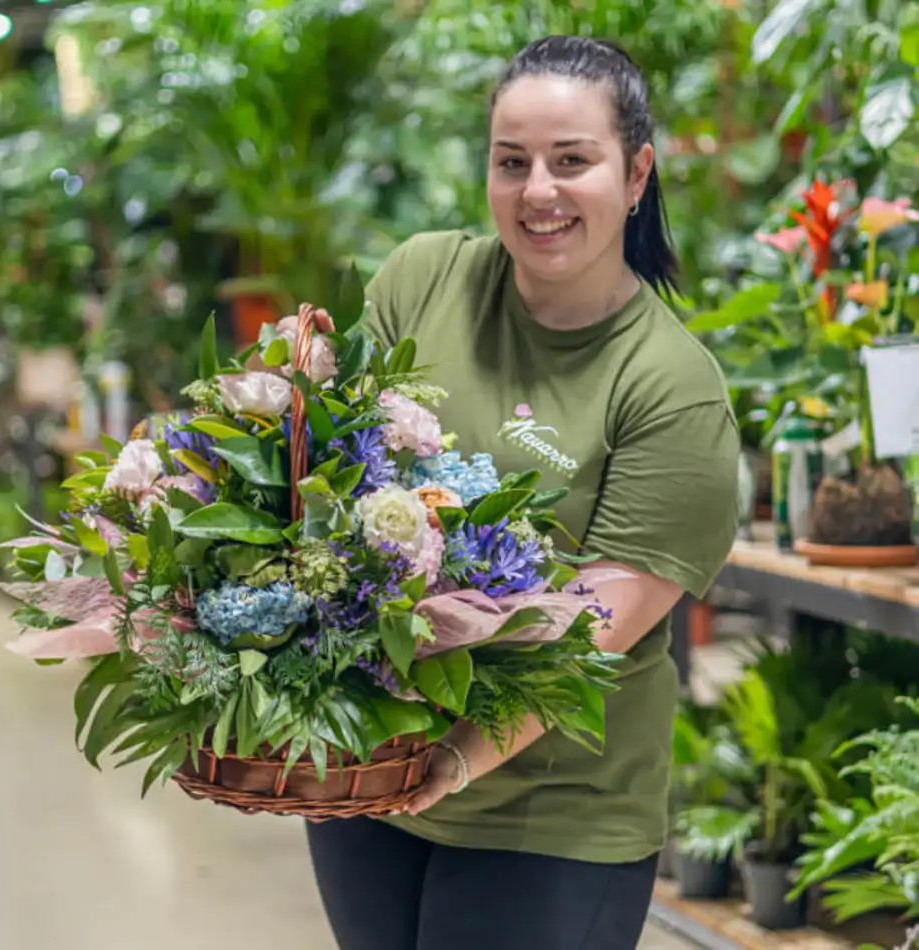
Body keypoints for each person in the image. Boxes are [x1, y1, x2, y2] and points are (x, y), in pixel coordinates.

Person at [306, 35, 740, 950]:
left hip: (553, 818)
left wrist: (459, 755)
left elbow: (589, 630)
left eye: (572, 161)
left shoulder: (670, 386)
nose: (538, 190)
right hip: (374, 781)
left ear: (636, 175)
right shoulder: (424, 277)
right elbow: (328, 464)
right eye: (513, 163)